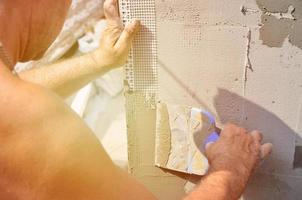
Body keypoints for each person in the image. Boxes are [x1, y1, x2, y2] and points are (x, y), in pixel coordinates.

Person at [0, 0, 273, 199]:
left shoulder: (14, 102)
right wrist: (228, 172)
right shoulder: (34, 123)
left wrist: (98, 61)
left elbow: (15, 91)